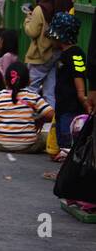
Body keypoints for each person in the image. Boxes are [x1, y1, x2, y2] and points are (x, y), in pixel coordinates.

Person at [48, 12, 94, 162]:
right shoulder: (64, 53)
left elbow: (78, 75)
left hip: (71, 107)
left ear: (60, 35)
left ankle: (66, 167)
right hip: (62, 106)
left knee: (68, 139)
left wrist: (82, 96)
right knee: (62, 137)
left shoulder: (75, 54)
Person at [25, 0, 73, 105]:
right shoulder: (67, 9)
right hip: (57, 54)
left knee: (31, 89)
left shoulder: (41, 9)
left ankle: (25, 117)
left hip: (40, 56)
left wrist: (28, 19)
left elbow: (32, 32)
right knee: (50, 90)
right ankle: (49, 120)